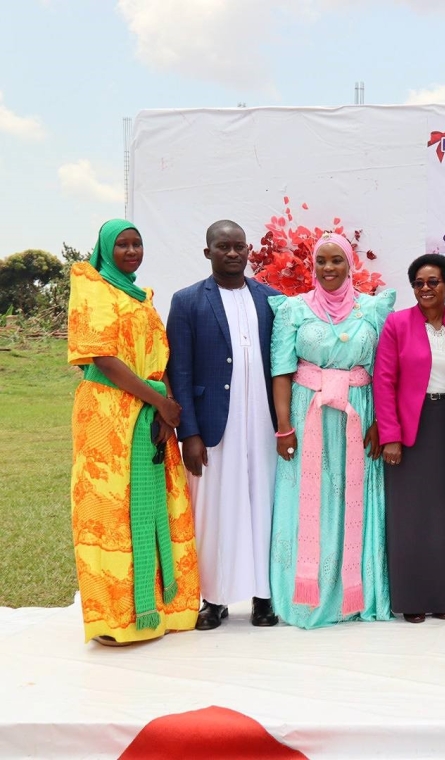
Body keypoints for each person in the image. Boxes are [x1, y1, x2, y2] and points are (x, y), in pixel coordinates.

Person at [67, 218, 200, 644]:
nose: (130, 251)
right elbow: (104, 358)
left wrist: (166, 412)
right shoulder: (91, 287)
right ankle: (113, 619)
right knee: (112, 510)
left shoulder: (142, 298)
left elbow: (159, 357)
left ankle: (157, 610)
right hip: (108, 415)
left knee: (152, 505)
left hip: (149, 412)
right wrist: (160, 402)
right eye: (122, 245)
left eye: (136, 244)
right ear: (106, 249)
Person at [267, 231, 396, 629]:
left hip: (359, 415)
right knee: (310, 500)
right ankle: (306, 594)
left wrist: (381, 422)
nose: (328, 268)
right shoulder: (293, 309)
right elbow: (282, 370)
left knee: (354, 498)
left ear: (349, 264)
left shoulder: (373, 308)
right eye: (321, 261)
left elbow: (384, 370)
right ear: (312, 266)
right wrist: (284, 426)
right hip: (309, 416)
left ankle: (355, 595)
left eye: (336, 260)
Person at [167, 220, 280, 630]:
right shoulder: (187, 301)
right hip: (214, 425)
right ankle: (213, 600)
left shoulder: (272, 299)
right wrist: (190, 434)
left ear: (249, 250)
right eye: (223, 247)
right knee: (214, 511)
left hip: (264, 424)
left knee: (262, 504)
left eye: (238, 247)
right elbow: (179, 371)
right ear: (208, 252)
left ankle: (264, 598)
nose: (232, 254)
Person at [373, 254, 445, 623]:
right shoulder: (397, 324)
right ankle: (412, 598)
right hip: (410, 427)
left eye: (433, 282)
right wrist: (390, 436)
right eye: (419, 283)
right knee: (409, 516)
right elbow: (384, 382)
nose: (426, 288)